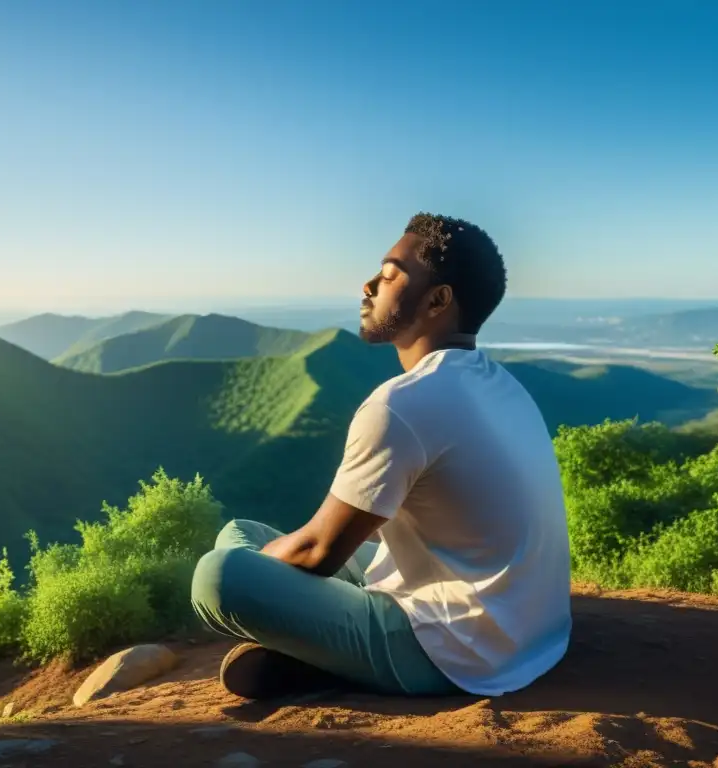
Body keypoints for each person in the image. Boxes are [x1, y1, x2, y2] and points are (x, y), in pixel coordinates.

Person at [190, 213, 572, 700]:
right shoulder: (502, 385)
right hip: (528, 630)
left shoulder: (402, 404)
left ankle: (331, 658)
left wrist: (270, 578)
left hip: (459, 653)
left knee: (219, 575)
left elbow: (317, 553)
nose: (368, 285)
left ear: (438, 300)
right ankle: (322, 649)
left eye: (390, 274)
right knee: (238, 534)